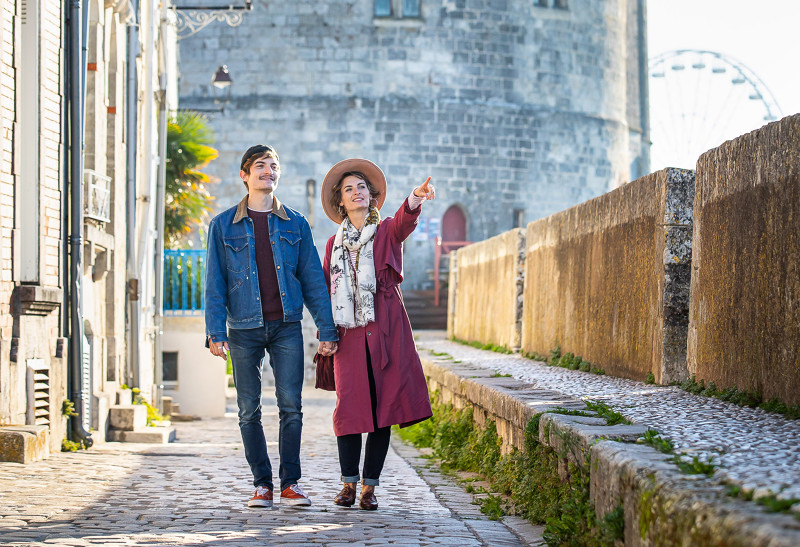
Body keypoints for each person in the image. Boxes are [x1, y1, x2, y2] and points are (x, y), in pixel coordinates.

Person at [204, 144, 338, 509]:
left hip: (286, 327)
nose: (268, 170)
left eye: (274, 165)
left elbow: (312, 279)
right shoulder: (222, 225)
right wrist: (215, 333)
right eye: (260, 165)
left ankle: (290, 485)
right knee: (249, 410)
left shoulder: (295, 223)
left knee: (291, 407)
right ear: (245, 176)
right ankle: (262, 484)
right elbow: (214, 284)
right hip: (243, 329)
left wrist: (326, 329)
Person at [320, 158, 434, 510]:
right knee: (350, 410)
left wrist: (415, 197)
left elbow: (404, 222)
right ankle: (348, 484)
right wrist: (326, 331)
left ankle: (370, 487)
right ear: (341, 200)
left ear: (372, 196)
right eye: (348, 189)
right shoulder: (331, 245)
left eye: (362, 188)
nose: (356, 193)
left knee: (383, 409)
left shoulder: (385, 230)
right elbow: (326, 287)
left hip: (386, 328)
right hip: (348, 334)